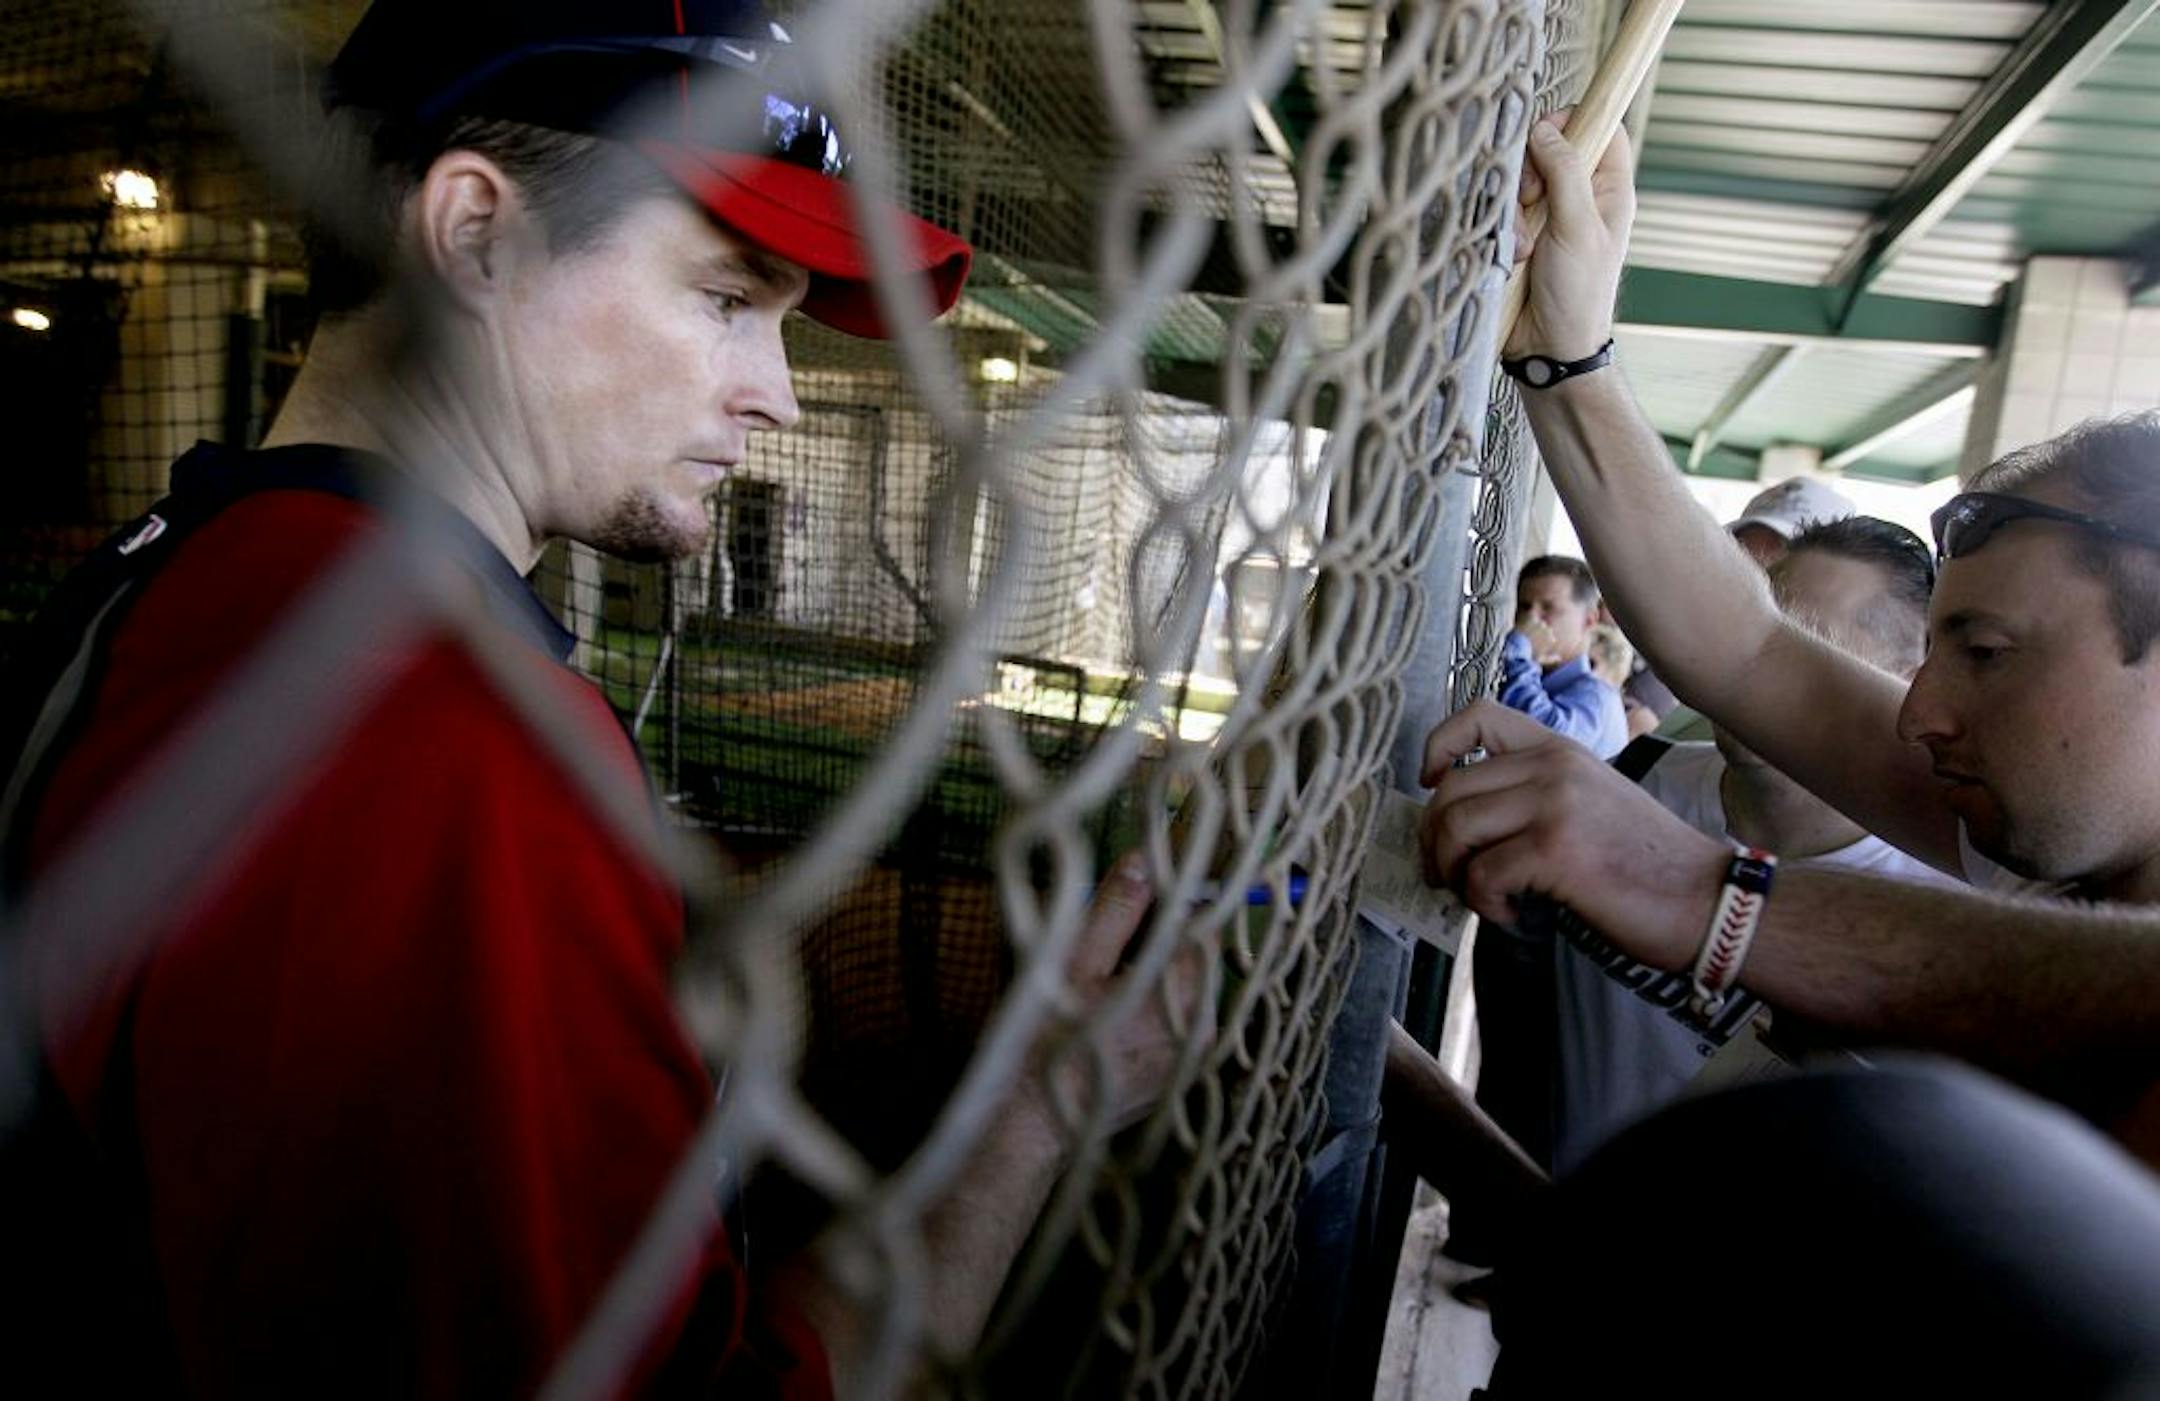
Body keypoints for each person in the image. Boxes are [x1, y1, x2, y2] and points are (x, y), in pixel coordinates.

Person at [0, 3, 1192, 1394]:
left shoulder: (203, 565)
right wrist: (1039, 1114)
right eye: (726, 299)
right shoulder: (445, 742)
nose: (778, 396)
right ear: (476, 236)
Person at [1417, 110, 2160, 1163]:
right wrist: (1565, 357)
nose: (1917, 708)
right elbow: (1751, 655)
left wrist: (1706, 897)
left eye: (1989, 653)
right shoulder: (2053, 858)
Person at [1550, 515, 1959, 1174]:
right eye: (1755, 630)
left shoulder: (1942, 917)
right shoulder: (1636, 780)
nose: (1750, 666)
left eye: (1805, 647)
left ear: (1908, 683)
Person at [1648, 475, 1856, 741]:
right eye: (1743, 557)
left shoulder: (1850, 736)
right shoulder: (1699, 701)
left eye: (1782, 564)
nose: (1758, 582)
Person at [1499, 554, 1627, 759]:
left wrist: (1518, 654)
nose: (1530, 619)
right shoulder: (1527, 675)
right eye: (1524, 607)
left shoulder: (1598, 697)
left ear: (1589, 620)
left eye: (1548, 608)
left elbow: (1546, 742)